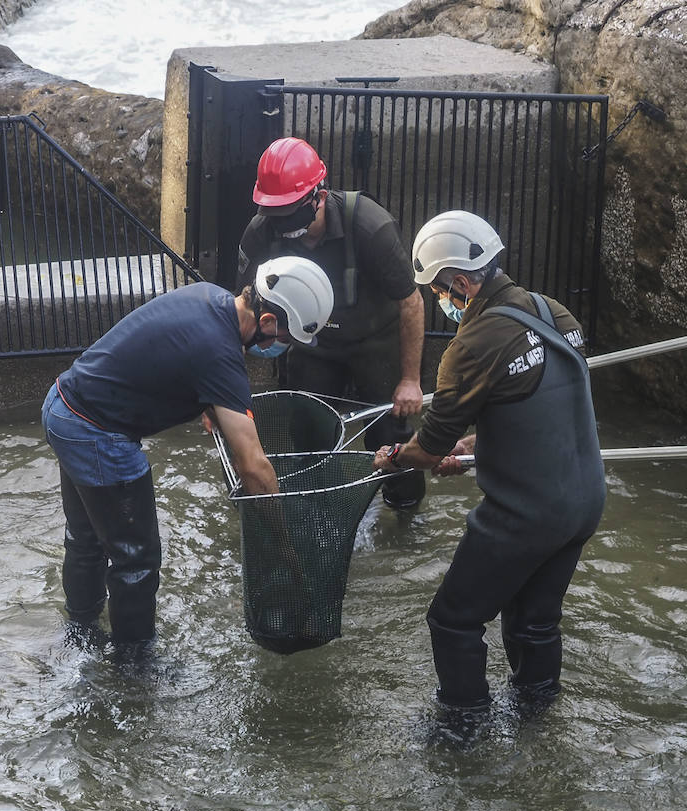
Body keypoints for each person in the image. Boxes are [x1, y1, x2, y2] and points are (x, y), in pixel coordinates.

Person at [372, 210, 605, 715]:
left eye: (437, 289)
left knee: (453, 619)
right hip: (584, 501)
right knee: (533, 622)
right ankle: (537, 718)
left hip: (526, 513)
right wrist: (475, 445)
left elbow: (428, 448)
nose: (438, 300)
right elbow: (546, 405)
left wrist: (394, 458)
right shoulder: (556, 313)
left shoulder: (471, 345)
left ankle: (463, 726)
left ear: (460, 282)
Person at [43, 258, 334, 644]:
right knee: (137, 560)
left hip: (63, 405)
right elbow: (254, 467)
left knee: (86, 538)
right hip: (96, 433)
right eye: (285, 337)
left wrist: (210, 402)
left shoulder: (209, 297)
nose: (281, 347)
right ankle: (134, 668)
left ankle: (80, 631)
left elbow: (170, 354)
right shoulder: (219, 355)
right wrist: (283, 541)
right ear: (266, 323)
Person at [235, 137, 426, 508]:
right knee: (308, 433)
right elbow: (241, 306)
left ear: (318, 197)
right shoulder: (261, 233)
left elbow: (411, 301)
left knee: (393, 439)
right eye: (274, 213)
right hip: (312, 346)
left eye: (290, 212)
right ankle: (321, 508)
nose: (282, 224)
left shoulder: (370, 225)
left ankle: (405, 514)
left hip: (377, 341)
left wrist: (410, 380)